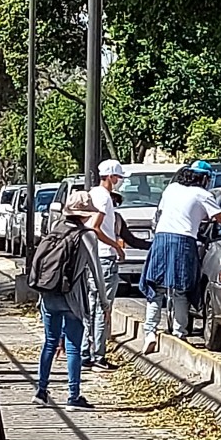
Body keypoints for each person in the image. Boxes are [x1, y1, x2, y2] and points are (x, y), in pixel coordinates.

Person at [140, 160, 221, 353]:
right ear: (205, 178)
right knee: (182, 289)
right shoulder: (203, 195)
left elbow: (164, 213)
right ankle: (179, 333)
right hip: (183, 241)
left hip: (161, 240)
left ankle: (150, 332)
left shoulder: (171, 189)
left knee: (156, 289)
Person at [33, 191, 110, 412]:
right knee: (73, 346)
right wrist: (104, 303)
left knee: (49, 342)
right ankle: (73, 396)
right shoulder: (87, 236)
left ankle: (41, 390)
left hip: (49, 295)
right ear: (85, 214)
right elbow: (96, 272)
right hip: (73, 298)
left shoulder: (55, 230)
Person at [83, 159, 127, 372]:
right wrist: (116, 247)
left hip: (91, 257)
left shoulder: (91, 193)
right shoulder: (104, 197)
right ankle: (98, 357)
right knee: (103, 308)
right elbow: (96, 227)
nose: (118, 181)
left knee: (90, 307)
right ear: (110, 177)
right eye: (117, 177)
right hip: (104, 257)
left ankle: (85, 352)